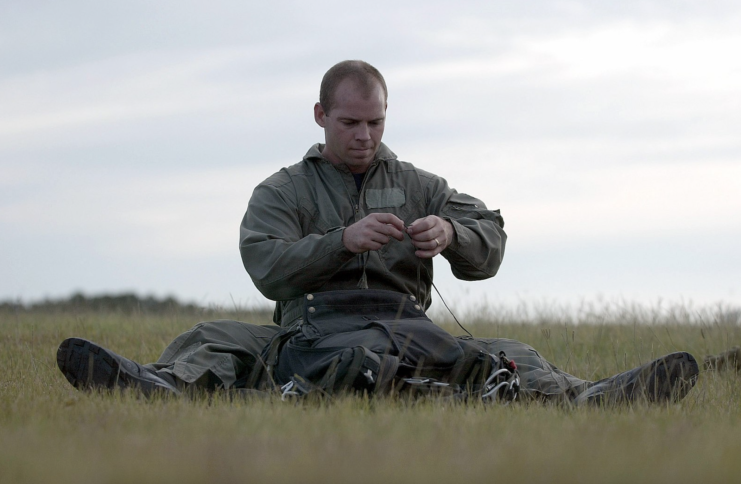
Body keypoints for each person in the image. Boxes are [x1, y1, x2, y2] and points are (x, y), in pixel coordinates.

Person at [57, 60, 699, 405]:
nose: (364, 136)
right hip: (312, 326)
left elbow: (491, 236)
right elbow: (265, 265)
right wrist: (343, 240)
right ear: (321, 116)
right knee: (210, 338)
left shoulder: (421, 183)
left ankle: (594, 398)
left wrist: (452, 233)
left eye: (375, 122)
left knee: (513, 352)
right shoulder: (282, 191)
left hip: (407, 323)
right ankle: (151, 388)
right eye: (350, 123)